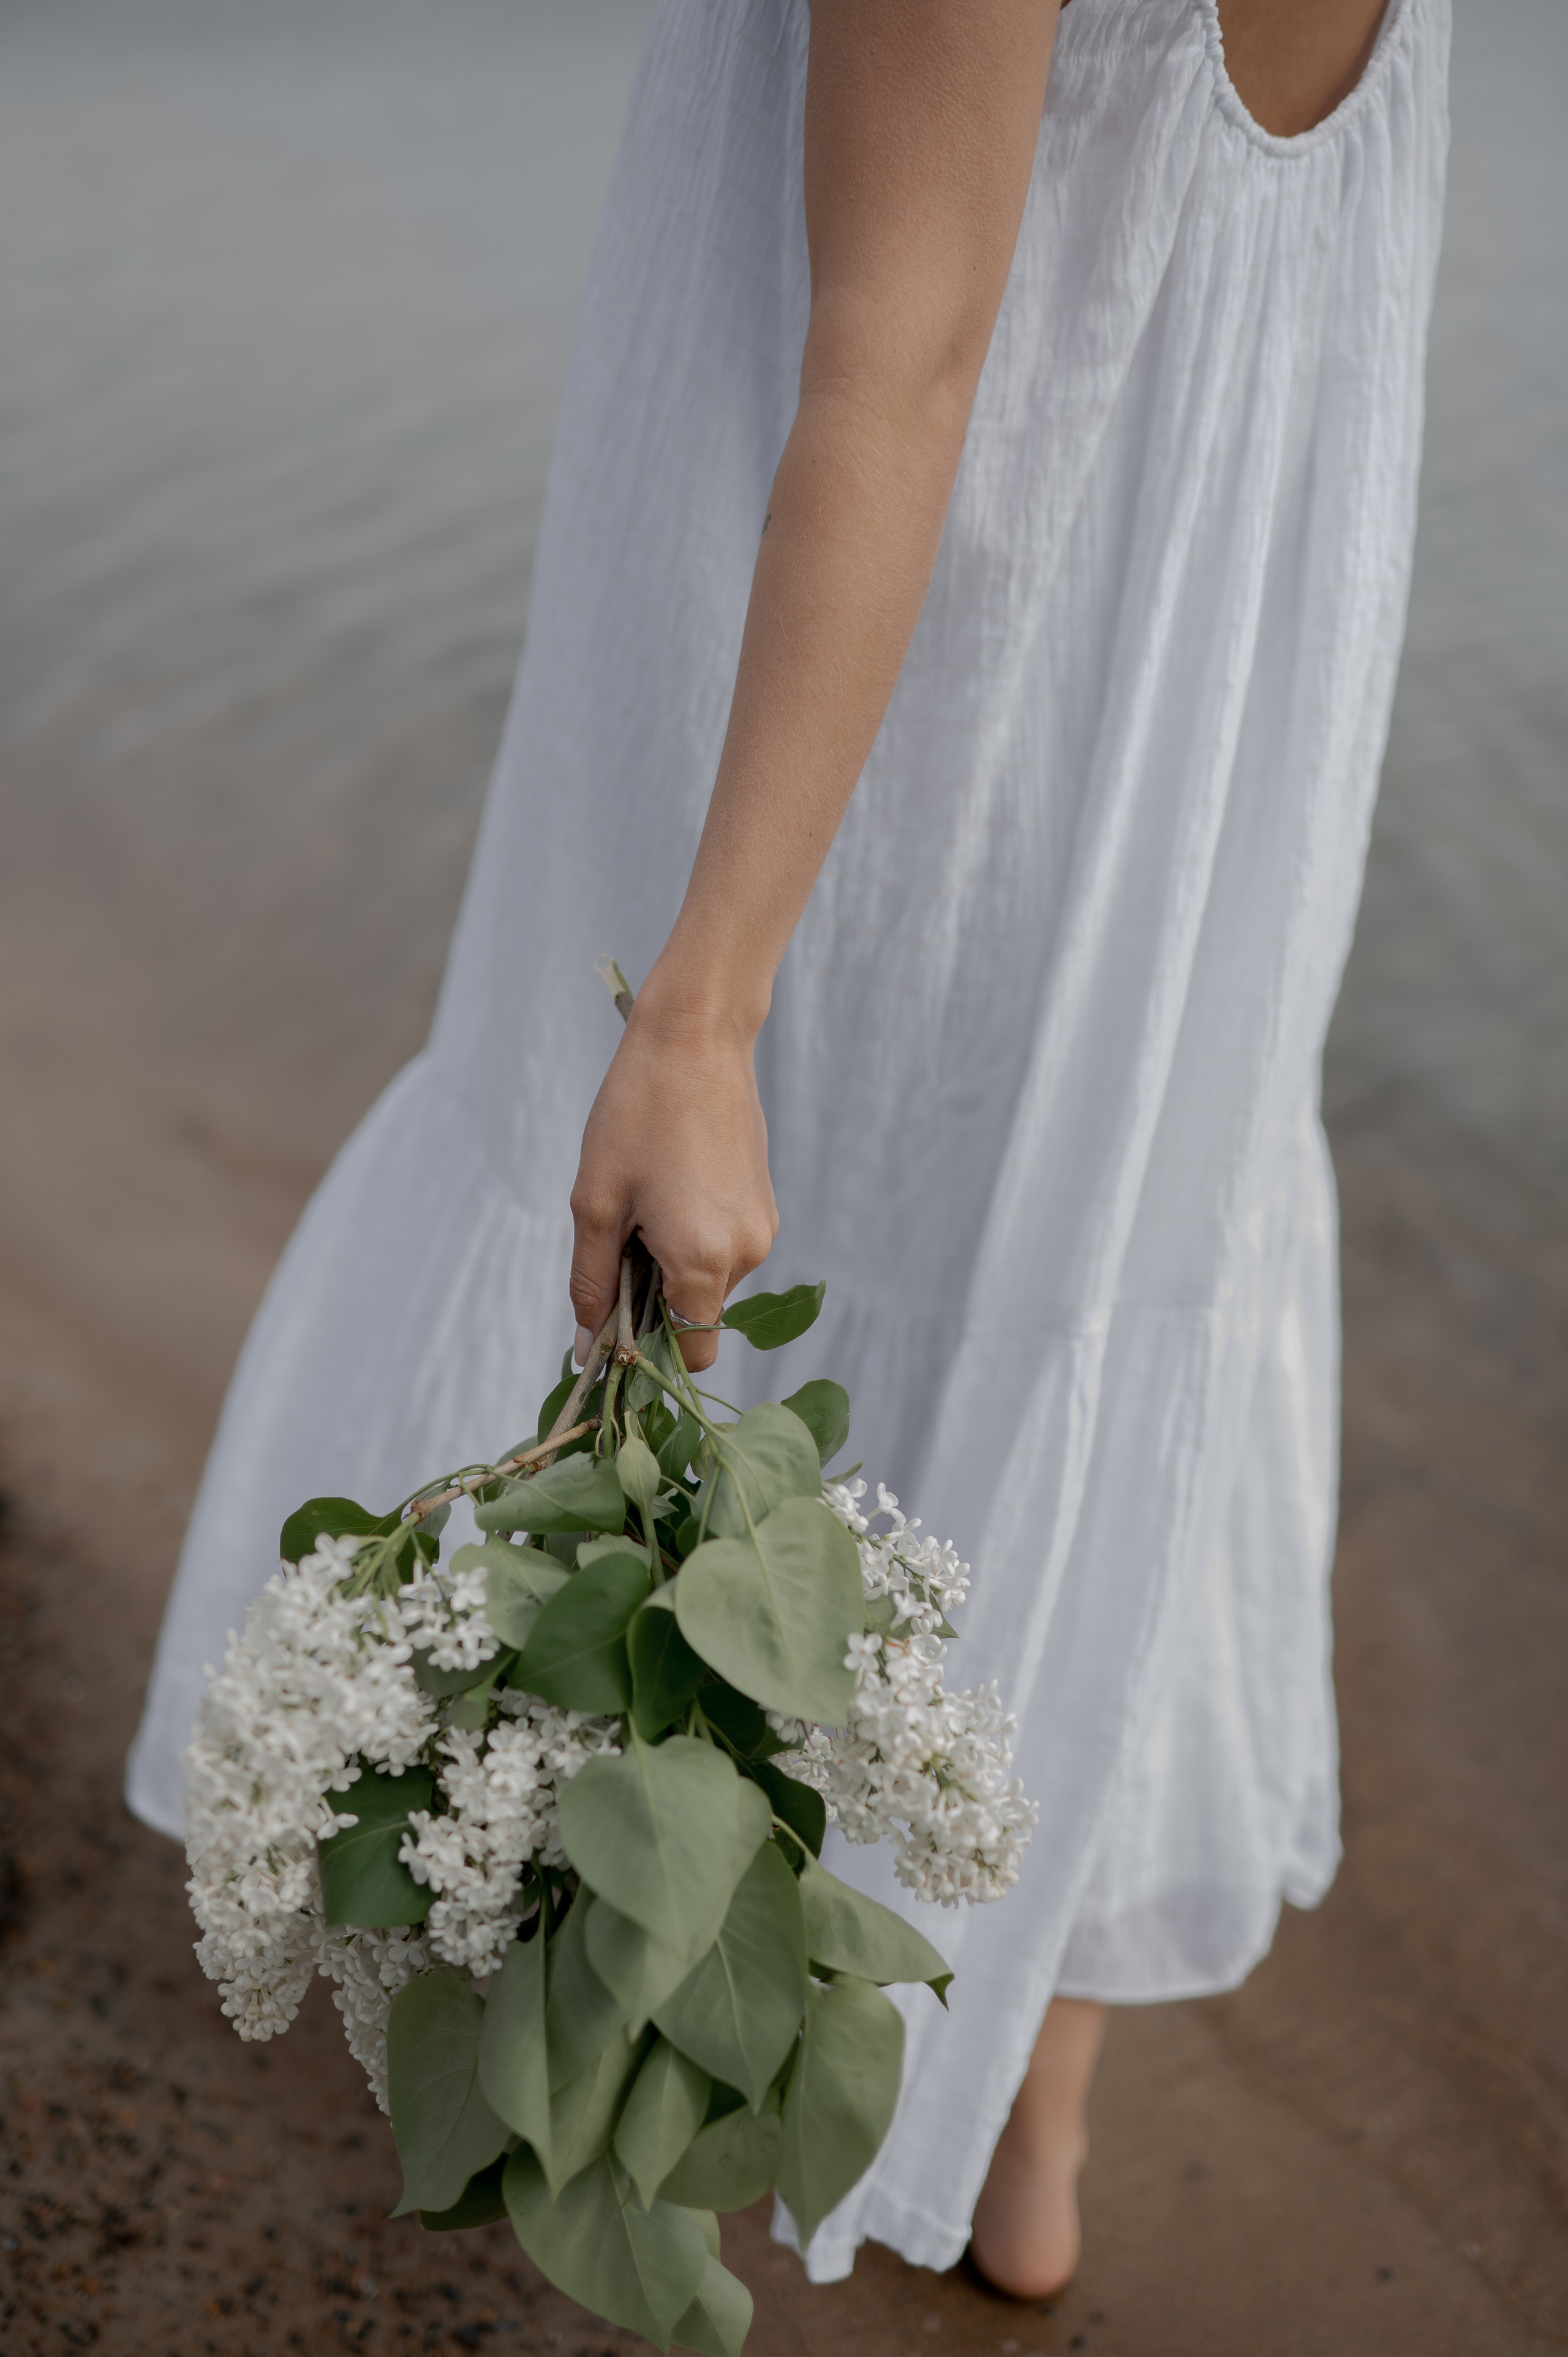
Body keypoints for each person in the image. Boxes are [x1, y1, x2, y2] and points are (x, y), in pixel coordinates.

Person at [127, 0, 1450, 2301]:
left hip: (858, 688)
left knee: (741, 1209)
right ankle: (1021, 2126)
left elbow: (902, 362)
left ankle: (600, 1992)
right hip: (1187, 724)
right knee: (1105, 1234)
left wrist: (704, 1003)